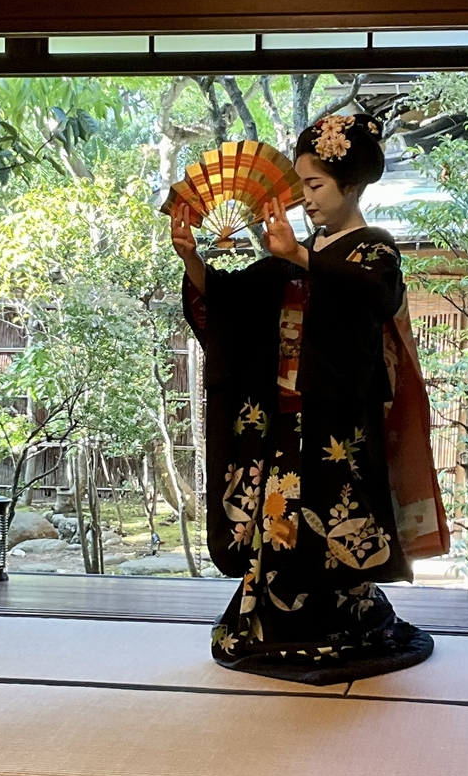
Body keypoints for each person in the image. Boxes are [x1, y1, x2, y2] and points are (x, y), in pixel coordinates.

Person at [170, 113, 448, 685]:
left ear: (354, 186)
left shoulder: (375, 251)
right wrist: (193, 260)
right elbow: (233, 303)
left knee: (337, 518)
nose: (306, 200)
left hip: (340, 422)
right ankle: (275, 622)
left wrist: (300, 258)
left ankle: (343, 622)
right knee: (279, 522)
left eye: (316, 186)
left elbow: (375, 295)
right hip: (284, 414)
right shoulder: (299, 252)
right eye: (301, 187)